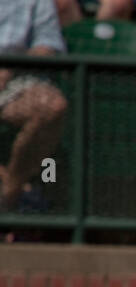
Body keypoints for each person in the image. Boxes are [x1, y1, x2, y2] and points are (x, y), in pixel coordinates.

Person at [0, 0, 68, 215]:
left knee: (52, 106)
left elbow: (47, 46)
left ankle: (9, 196)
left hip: (17, 79)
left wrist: (8, 69)